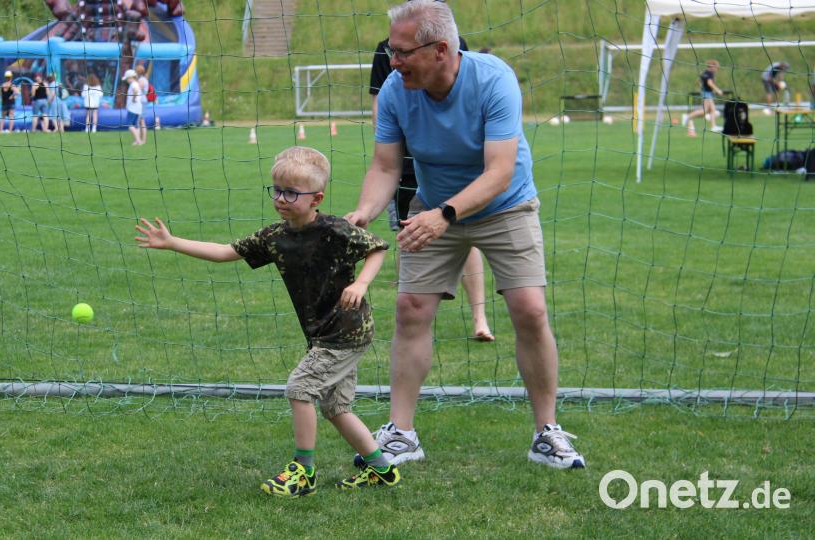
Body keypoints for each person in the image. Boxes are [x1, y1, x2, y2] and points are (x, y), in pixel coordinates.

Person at [345, 0, 585, 470]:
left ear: (439, 51)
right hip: (435, 203)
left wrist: (445, 215)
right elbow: (386, 165)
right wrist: (364, 211)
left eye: (401, 52)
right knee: (411, 308)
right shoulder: (396, 89)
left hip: (505, 204)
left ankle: (547, 432)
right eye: (391, 51)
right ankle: (401, 434)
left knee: (530, 310)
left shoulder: (494, 79)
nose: (392, 62)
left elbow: (499, 172)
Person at [135, 146, 401, 497]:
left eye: (291, 192)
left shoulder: (335, 230)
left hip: (346, 330)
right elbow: (225, 252)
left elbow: (377, 247)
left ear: (316, 197)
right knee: (336, 407)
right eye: (276, 189)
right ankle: (381, 470)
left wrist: (361, 283)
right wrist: (172, 243)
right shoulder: (274, 237)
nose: (281, 198)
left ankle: (303, 471)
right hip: (324, 333)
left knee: (299, 388)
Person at [370, 30, 494, 342]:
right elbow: (379, 105)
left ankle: (480, 316)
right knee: (407, 232)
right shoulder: (385, 49)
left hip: (456, 164)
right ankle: (416, 313)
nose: (398, 60)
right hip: (408, 161)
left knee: (465, 233)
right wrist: (392, 143)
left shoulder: (456, 44)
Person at [681, 59, 724, 136]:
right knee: (705, 111)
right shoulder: (710, 73)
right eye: (717, 68)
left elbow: (698, 81)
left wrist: (703, 87)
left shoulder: (704, 73)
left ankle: (713, 126)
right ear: (712, 67)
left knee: (712, 110)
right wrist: (718, 90)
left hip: (706, 93)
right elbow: (709, 83)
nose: (717, 70)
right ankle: (687, 116)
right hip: (707, 94)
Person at [123, 69, 144, 145]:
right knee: (136, 125)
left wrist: (134, 98)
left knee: (129, 125)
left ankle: (138, 140)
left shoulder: (133, 84)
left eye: (127, 79)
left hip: (133, 108)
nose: (127, 80)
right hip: (138, 107)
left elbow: (135, 91)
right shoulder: (136, 83)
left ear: (131, 77)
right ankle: (137, 141)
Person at [135, 64, 150, 141]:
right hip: (142, 101)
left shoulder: (141, 80)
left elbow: (137, 89)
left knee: (141, 120)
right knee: (140, 121)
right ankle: (140, 139)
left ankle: (142, 139)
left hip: (141, 101)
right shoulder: (143, 79)